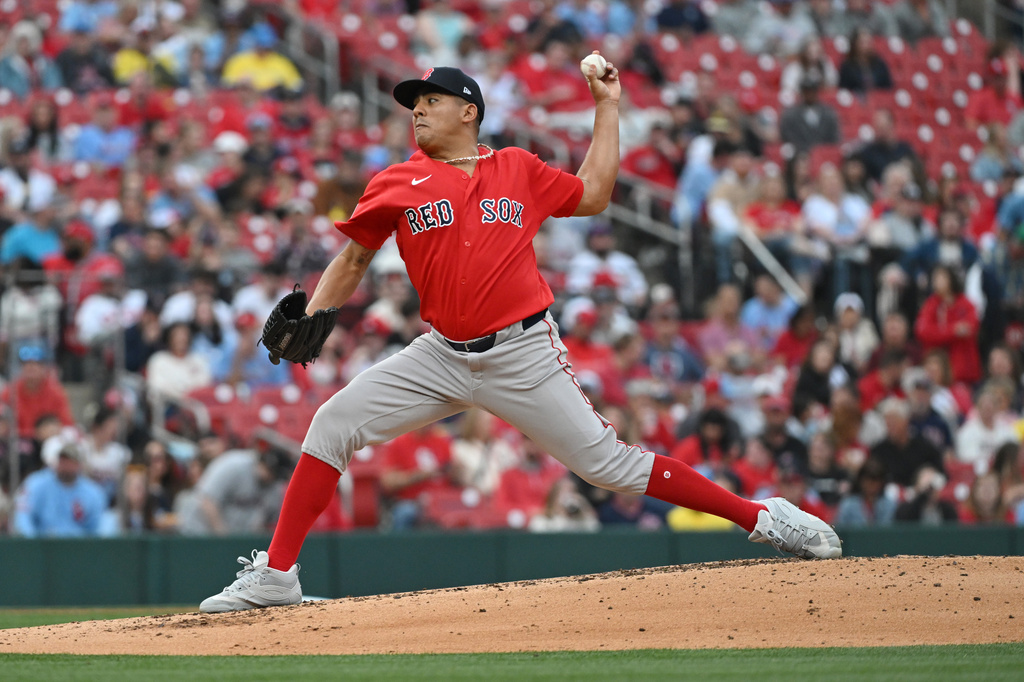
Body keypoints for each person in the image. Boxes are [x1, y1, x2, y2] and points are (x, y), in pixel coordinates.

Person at [199, 62, 841, 614]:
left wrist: (608, 107)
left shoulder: (517, 168)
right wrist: (315, 311)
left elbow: (593, 194)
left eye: (430, 101)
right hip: (440, 355)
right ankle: (277, 576)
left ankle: (762, 517)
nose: (417, 112)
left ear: (468, 111)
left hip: (522, 352)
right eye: (413, 105)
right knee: (330, 424)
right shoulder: (396, 180)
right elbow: (354, 258)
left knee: (610, 467)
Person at [12, 441, 107, 537]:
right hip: (43, 545)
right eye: (63, 461)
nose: (66, 465)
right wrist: (31, 542)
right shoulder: (35, 483)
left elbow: (96, 528)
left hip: (77, 547)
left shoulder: (93, 492)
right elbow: (22, 516)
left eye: (71, 462)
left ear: (79, 465)